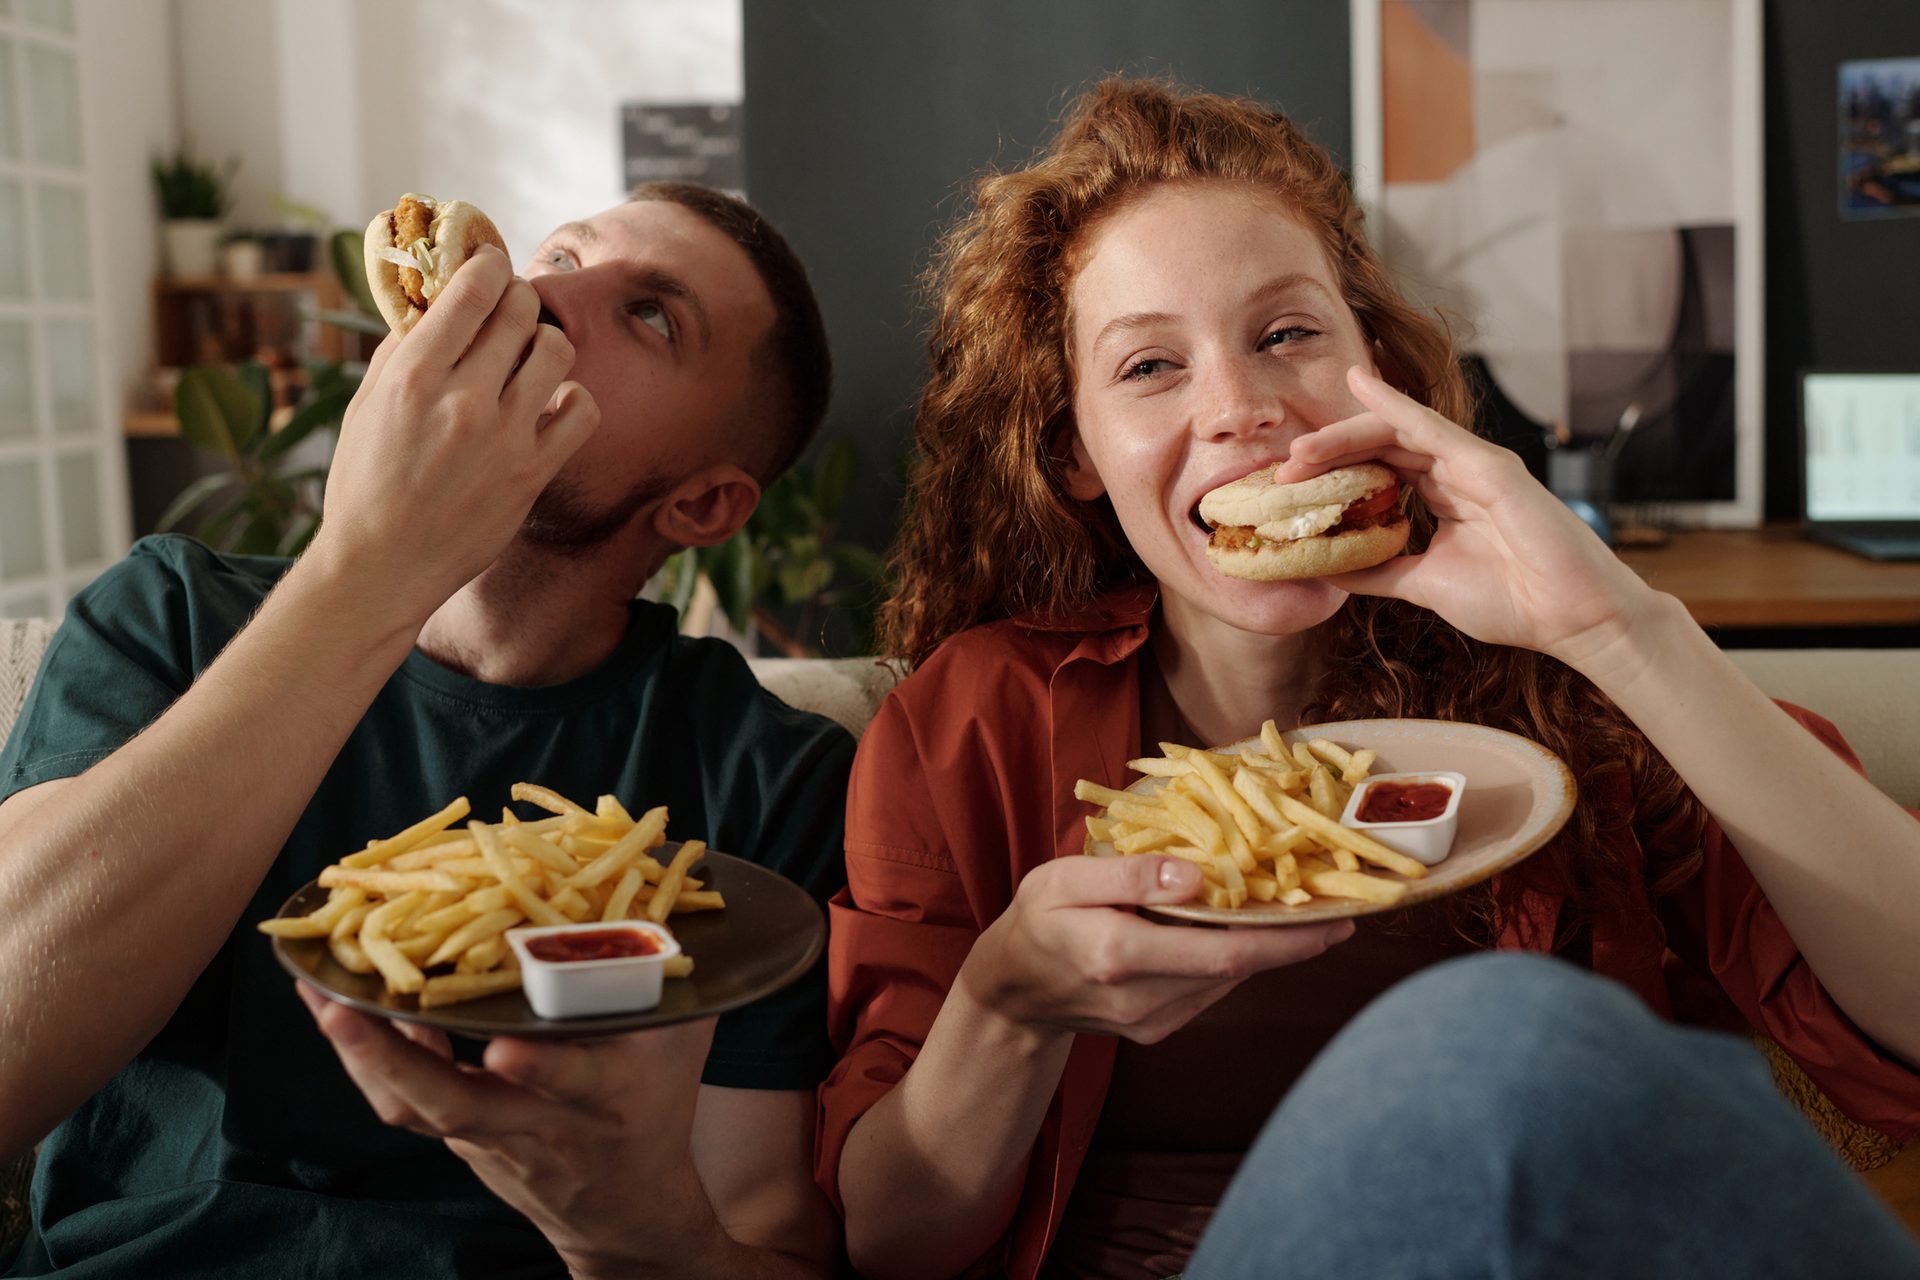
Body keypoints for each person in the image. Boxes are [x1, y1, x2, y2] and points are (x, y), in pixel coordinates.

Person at [816, 79, 1920, 1279]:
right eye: (1149, 366)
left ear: (1378, 366)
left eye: (1288, 334)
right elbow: (892, 1240)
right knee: (1494, 1035)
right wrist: (1007, 1007)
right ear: (1072, 450)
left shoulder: (1570, 687)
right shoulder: (964, 723)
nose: (1242, 407)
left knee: (1513, 1045)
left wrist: (1618, 627)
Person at [0, 181, 851, 1278]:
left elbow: (765, 1235)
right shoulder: (168, 615)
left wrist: (631, 1231)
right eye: (560, 251)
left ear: (699, 506)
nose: (546, 293)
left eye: (651, 314)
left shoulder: (765, 775)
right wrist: (367, 576)